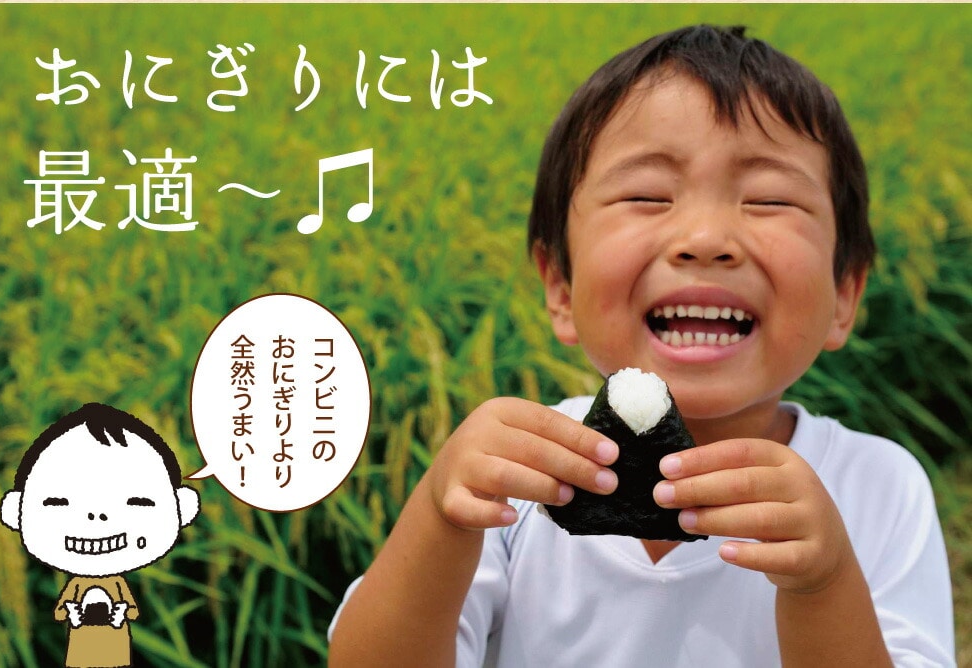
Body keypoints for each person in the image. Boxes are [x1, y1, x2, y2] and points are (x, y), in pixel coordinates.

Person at [327, 25, 954, 667]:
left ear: (844, 294)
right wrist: (442, 516)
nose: (705, 239)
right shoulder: (517, 476)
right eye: (647, 196)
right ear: (560, 286)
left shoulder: (876, 490)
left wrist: (823, 584)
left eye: (769, 200)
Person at [0, 403, 201, 668]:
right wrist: (74, 614)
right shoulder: (77, 585)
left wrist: (119, 615)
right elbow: (61, 611)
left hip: (114, 647)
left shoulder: (115, 583)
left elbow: (131, 610)